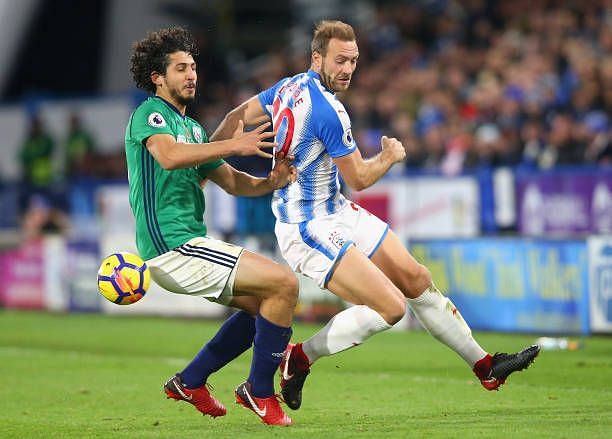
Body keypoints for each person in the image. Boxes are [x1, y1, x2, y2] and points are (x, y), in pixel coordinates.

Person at [212, 20, 540, 411]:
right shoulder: (327, 110)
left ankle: (485, 365)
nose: (348, 69)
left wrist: (210, 154)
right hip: (308, 227)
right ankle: (297, 358)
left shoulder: (289, 85)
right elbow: (361, 177)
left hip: (336, 209)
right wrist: (389, 156)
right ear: (317, 57)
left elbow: (238, 114)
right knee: (392, 308)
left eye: (353, 61)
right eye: (340, 61)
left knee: (416, 279)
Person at [126, 26, 299, 426]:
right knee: (284, 284)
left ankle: (191, 381)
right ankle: (259, 393)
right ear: (158, 77)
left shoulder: (195, 131)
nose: (191, 75)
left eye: (193, 67)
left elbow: (233, 181)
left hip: (189, 243)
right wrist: (234, 144)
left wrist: (271, 182)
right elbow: (168, 157)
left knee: (267, 307)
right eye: (181, 68)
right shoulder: (150, 115)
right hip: (172, 245)